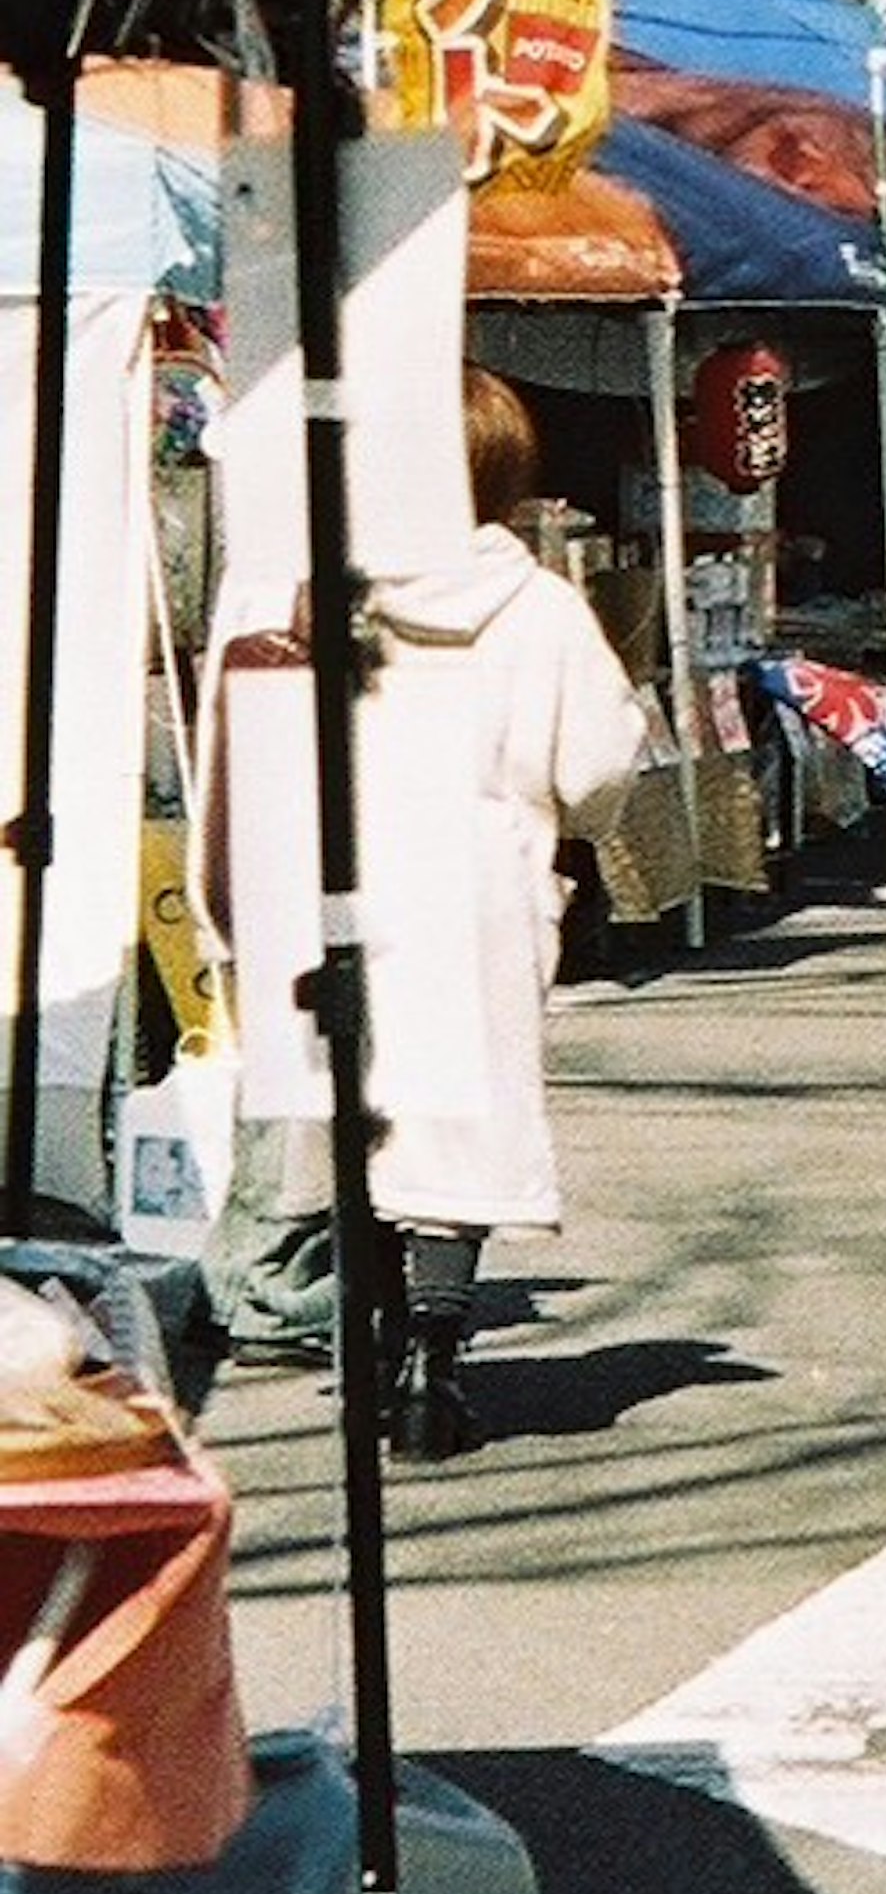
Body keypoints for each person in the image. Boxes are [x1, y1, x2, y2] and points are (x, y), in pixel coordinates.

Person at [244, 368, 652, 1458]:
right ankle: (434, 1363)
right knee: (458, 1130)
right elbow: (602, 767)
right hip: (477, 881)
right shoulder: (541, 608)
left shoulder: (325, 594)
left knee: (363, 1118)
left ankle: (375, 1357)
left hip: (347, 877)